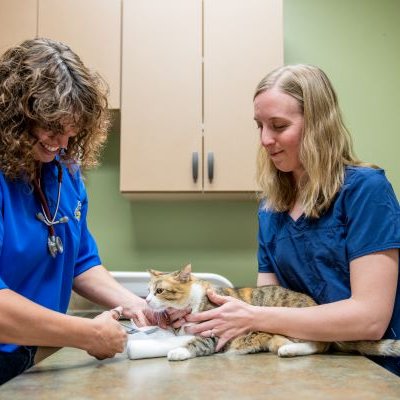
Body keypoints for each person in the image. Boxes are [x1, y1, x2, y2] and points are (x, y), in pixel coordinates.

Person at [182, 64, 400, 376]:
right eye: (259, 126)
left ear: (317, 126)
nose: (265, 139)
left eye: (279, 126)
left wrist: (254, 315)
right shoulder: (271, 209)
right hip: (308, 368)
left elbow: (370, 319)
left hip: (375, 370)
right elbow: (270, 303)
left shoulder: (366, 191)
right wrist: (197, 318)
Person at [0, 38, 163, 385]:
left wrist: (136, 305)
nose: (63, 142)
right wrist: (86, 333)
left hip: (34, 355)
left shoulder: (64, 171)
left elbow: (80, 262)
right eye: (54, 128)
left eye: (73, 132)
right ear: (18, 115)